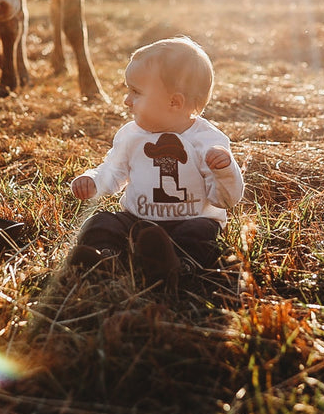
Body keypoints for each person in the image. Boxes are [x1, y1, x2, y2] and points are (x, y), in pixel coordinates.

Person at [68, 36, 244, 290]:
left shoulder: (207, 141)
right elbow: (113, 170)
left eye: (136, 92)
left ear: (175, 102)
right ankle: (105, 260)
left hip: (191, 221)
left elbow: (225, 200)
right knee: (102, 222)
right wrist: (93, 180)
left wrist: (225, 170)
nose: (126, 100)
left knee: (201, 234)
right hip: (137, 222)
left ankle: (180, 265)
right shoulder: (131, 135)